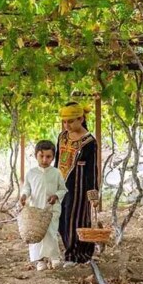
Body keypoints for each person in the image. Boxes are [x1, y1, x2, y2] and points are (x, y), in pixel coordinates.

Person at [56, 102, 99, 265]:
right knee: (61, 219)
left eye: (70, 121)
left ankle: (74, 255)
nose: (66, 125)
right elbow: (57, 161)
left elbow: (92, 169)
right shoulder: (62, 137)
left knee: (75, 219)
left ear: (81, 119)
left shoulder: (89, 141)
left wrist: (93, 193)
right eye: (64, 122)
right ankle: (71, 249)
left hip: (79, 185)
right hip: (61, 182)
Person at [20, 140, 67, 270]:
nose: (45, 159)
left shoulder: (56, 173)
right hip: (36, 210)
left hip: (52, 208)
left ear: (53, 157)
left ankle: (54, 258)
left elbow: (63, 189)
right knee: (36, 234)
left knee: (51, 232)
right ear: (36, 155)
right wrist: (24, 196)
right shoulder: (31, 173)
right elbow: (27, 189)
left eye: (48, 156)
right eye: (41, 156)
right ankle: (40, 260)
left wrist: (56, 196)